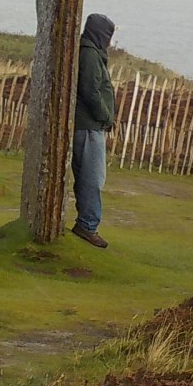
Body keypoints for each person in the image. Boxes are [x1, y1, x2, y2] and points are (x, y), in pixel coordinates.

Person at [71, 13, 116, 248]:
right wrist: (106, 116)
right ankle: (87, 225)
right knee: (92, 177)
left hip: (89, 124)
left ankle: (86, 222)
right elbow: (90, 90)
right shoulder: (89, 54)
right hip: (89, 126)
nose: (109, 40)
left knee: (90, 176)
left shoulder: (92, 52)